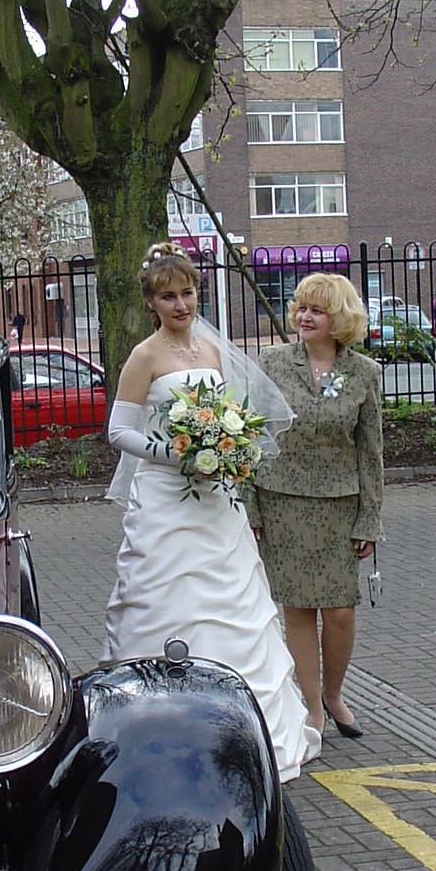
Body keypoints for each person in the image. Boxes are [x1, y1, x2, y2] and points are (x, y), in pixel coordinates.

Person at [102, 244, 321, 780]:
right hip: (165, 500)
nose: (181, 305)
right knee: (166, 596)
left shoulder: (212, 350)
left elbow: (233, 415)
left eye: (188, 293)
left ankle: (250, 732)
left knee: (235, 601)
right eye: (168, 297)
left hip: (215, 498)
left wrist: (227, 449)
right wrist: (175, 454)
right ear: (151, 303)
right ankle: (158, 732)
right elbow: (118, 431)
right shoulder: (144, 357)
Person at [251, 273, 383, 740]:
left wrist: (370, 519)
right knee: (299, 609)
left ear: (339, 319)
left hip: (339, 508)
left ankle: (333, 693)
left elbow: (370, 451)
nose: (305, 317)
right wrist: (252, 510)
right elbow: (253, 436)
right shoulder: (272, 362)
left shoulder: (364, 372)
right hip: (282, 502)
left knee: (340, 610)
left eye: (317, 311)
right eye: (301, 308)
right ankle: (312, 707)